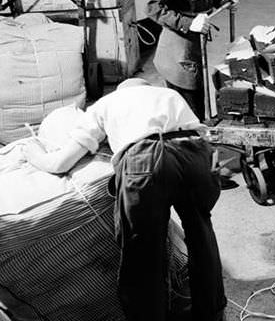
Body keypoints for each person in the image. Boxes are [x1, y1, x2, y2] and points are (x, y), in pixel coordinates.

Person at [22, 78, 226, 321]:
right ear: (147, 87)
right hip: (198, 154)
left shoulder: (105, 104)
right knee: (201, 234)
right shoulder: (170, 96)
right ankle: (212, 313)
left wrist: (33, 153)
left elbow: (60, 163)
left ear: (120, 90)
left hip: (147, 159)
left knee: (143, 253)